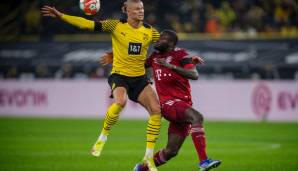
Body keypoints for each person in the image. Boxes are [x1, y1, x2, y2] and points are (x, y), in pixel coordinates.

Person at [41, 1, 161, 170]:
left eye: (142, 8)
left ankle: (148, 157)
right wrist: (61, 16)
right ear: (127, 11)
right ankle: (102, 137)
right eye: (136, 9)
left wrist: (184, 59)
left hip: (140, 78)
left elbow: (166, 45)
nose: (141, 11)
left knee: (156, 110)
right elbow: (87, 24)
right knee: (120, 102)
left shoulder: (150, 31)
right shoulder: (115, 25)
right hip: (119, 76)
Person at [101, 30, 221, 171]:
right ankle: (204, 161)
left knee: (171, 151)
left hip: (183, 104)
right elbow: (134, 63)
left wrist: (172, 66)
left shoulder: (181, 54)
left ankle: (141, 169)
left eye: (161, 39)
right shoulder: (154, 57)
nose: (157, 41)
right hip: (168, 104)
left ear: (170, 42)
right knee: (197, 117)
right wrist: (116, 56)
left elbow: (194, 75)